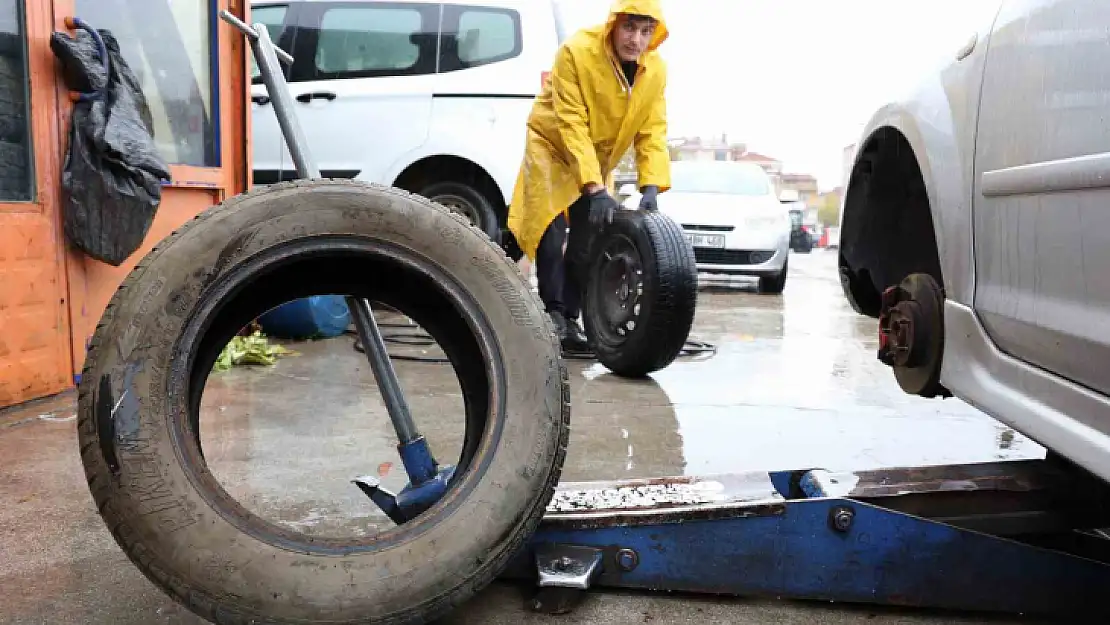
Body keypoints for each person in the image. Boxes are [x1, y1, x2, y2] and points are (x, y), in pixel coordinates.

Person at [505, 0, 671, 354]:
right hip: (552, 146)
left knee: (588, 239)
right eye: (629, 28)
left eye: (645, 32)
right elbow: (570, 122)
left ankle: (571, 318)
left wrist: (651, 185)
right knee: (550, 232)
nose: (636, 40)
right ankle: (552, 314)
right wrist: (593, 188)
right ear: (614, 24)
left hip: (595, 159)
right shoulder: (577, 53)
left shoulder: (655, 71)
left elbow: (652, 130)